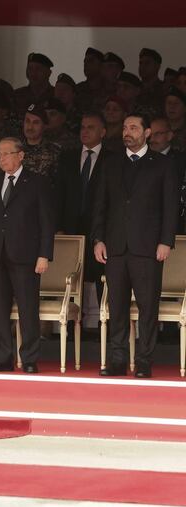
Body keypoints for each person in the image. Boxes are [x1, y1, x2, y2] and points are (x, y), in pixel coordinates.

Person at [92, 114, 179, 378]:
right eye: (125, 127)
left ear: (147, 132)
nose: (127, 132)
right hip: (116, 246)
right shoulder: (110, 163)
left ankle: (143, 361)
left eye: (133, 128)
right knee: (117, 306)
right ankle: (117, 360)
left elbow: (170, 207)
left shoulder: (163, 164)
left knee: (147, 306)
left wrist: (166, 241)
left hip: (148, 247)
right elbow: (100, 205)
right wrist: (98, 239)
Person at [0, 137, 55, 373]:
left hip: (26, 255)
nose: (2, 158)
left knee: (28, 308)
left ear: (21, 155)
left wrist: (44, 255)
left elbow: (46, 222)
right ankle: (2, 357)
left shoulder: (37, 183)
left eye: (7, 153)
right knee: (0, 310)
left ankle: (29, 358)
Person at [56, 112, 112, 305]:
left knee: (102, 278)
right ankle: (71, 328)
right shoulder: (67, 157)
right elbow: (59, 195)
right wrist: (59, 226)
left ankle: (105, 328)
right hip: (71, 226)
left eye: (91, 127)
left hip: (100, 228)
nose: (85, 131)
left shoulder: (112, 158)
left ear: (103, 132)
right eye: (83, 127)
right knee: (70, 276)